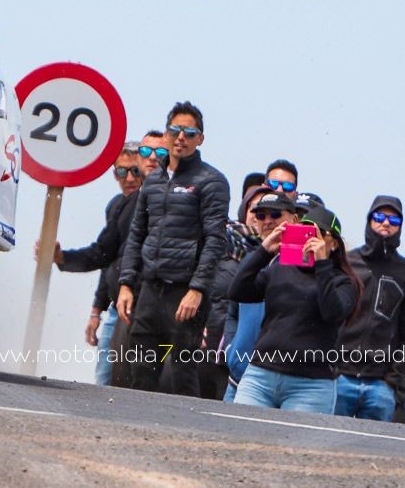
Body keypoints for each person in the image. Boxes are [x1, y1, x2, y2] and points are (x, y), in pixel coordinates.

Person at [117, 101, 231, 396]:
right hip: (150, 289)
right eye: (175, 130)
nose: (181, 137)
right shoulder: (153, 180)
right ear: (166, 134)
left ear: (200, 139)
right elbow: (137, 234)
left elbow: (215, 240)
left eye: (189, 132)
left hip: (185, 293)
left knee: (182, 376)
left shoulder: (212, 181)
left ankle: (186, 426)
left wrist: (197, 289)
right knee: (140, 375)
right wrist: (126, 284)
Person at [36, 137, 154, 386]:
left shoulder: (153, 203)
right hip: (116, 307)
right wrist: (96, 311)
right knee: (104, 381)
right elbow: (107, 258)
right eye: (121, 172)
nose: (129, 178)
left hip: (144, 306)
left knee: (132, 383)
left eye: (134, 171)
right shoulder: (117, 206)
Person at [228, 205, 360, 414]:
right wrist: (263, 251)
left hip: (310, 385)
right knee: (242, 432)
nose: (310, 238)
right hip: (261, 375)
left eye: (318, 233)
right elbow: (237, 291)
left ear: (334, 243)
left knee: (297, 436)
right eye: (305, 230)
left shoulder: (342, 281)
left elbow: (333, 312)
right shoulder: (279, 268)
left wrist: (322, 263)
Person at [221, 190, 297, 402]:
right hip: (237, 380)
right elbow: (233, 312)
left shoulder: (303, 262)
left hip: (281, 381)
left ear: (294, 219)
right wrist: (231, 348)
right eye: (261, 215)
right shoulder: (251, 260)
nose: (268, 221)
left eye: (276, 214)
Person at [334, 196, 405, 421]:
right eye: (380, 216)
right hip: (338, 377)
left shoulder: (403, 271)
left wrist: (394, 379)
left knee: (374, 444)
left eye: (394, 220)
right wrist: (330, 368)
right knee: (327, 441)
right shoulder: (347, 262)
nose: (386, 223)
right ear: (369, 220)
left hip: (381, 385)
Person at [197, 186, 270, 400]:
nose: (263, 218)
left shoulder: (279, 259)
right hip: (209, 345)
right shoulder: (220, 246)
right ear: (244, 211)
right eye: (256, 210)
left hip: (250, 358)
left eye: (272, 213)